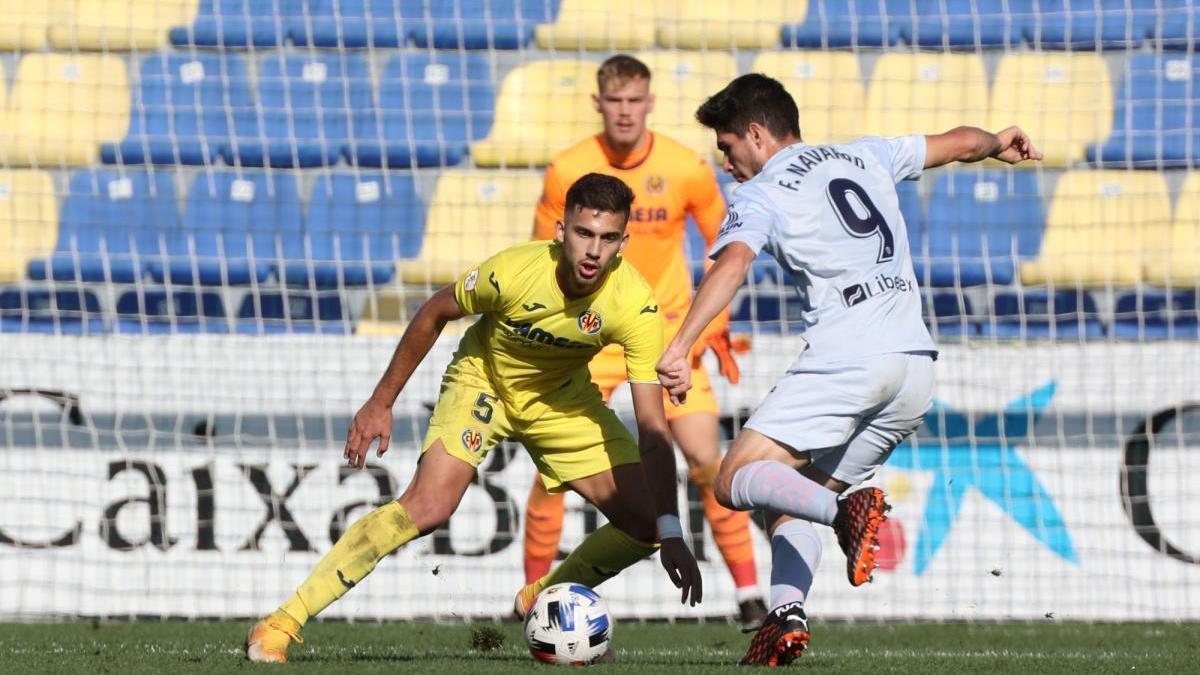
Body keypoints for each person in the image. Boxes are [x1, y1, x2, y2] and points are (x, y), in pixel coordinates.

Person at [656, 73, 1042, 666]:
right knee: (790, 497)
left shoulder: (761, 192)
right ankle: (784, 617)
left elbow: (733, 263)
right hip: (914, 370)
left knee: (734, 481)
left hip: (849, 357)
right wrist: (998, 140)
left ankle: (847, 514)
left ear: (756, 135)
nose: (727, 164)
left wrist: (682, 344)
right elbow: (959, 141)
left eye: (729, 148)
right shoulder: (867, 153)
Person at [245, 173, 702, 663]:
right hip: (483, 382)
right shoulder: (513, 270)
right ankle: (282, 621)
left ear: (623, 242)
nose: (593, 250)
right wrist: (381, 402)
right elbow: (433, 312)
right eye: (583, 233)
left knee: (645, 523)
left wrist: (673, 532)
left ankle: (544, 599)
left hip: (560, 401)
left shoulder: (635, 304)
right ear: (560, 230)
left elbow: (654, 431)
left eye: (608, 238)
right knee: (428, 506)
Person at [525, 54, 766, 623]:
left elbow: (731, 244)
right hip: (586, 340)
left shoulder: (684, 167)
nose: (625, 112)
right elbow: (543, 258)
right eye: (615, 101)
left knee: (708, 462)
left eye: (636, 101)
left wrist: (713, 327)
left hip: (664, 340)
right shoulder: (568, 169)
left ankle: (751, 597)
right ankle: (532, 597)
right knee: (548, 475)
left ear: (650, 103)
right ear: (599, 103)